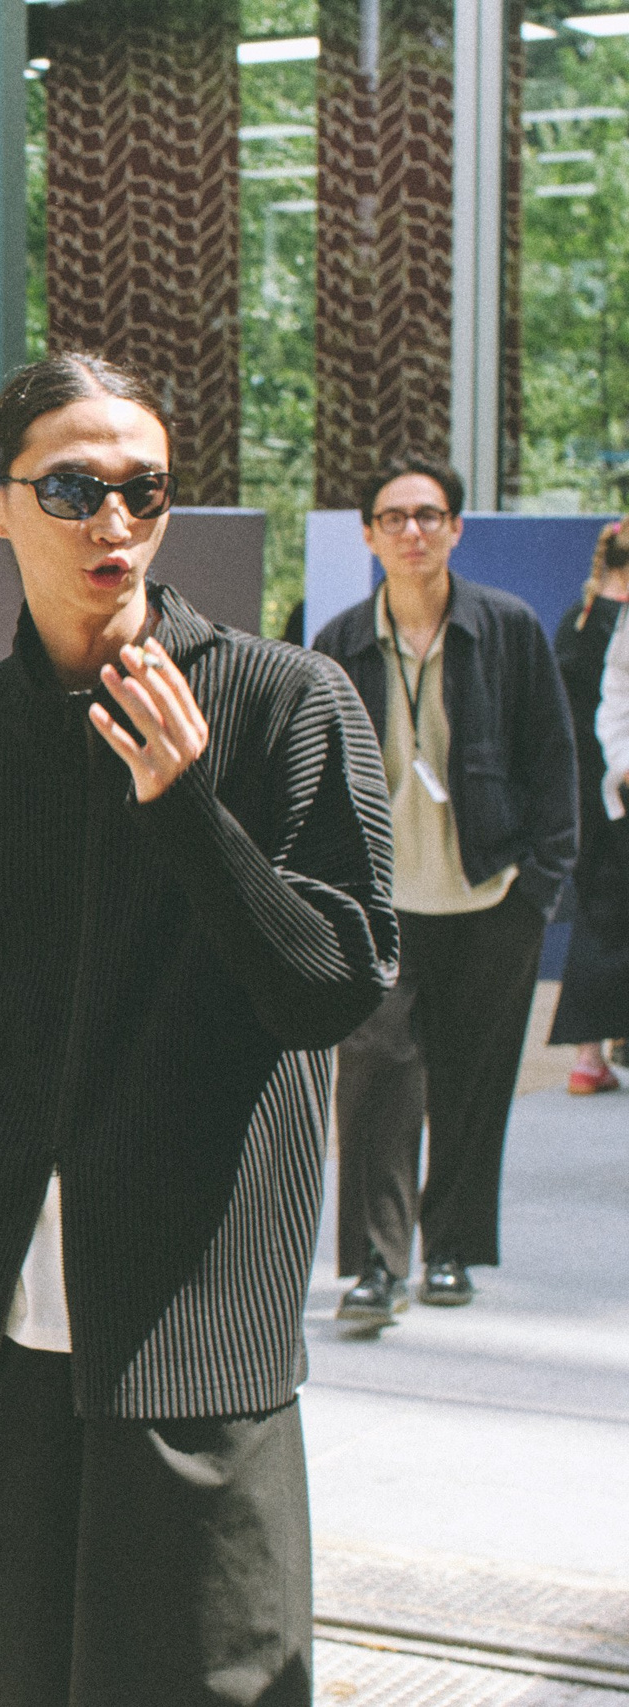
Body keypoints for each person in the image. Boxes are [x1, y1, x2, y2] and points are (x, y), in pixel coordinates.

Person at [0, 356, 396, 1706]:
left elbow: (333, 986)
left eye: (143, 489)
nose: (113, 520)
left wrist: (189, 810)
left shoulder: (286, 700)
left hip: (193, 1320)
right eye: (73, 487)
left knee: (199, 1679)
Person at [315, 456, 576, 1320]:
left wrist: (537, 886)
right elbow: (313, 780)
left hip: (488, 898)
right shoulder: (342, 642)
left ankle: (452, 1251)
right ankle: (377, 1267)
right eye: (394, 518)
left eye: (430, 516)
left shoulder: (506, 628)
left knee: (469, 1080)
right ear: (368, 534)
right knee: (376, 1081)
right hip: (382, 909)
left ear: (457, 529)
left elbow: (552, 761)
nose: (413, 532)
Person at [553, 519, 629, 1091]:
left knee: (600, 917)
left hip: (586, 789)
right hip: (615, 790)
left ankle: (589, 1057)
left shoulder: (576, 624)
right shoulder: (614, 625)